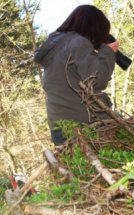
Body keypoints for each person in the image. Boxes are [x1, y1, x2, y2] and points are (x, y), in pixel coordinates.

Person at [35, 5, 119, 145]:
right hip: (84, 125)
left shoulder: (57, 45)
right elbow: (98, 80)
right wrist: (108, 52)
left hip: (60, 127)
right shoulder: (78, 43)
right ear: (94, 27)